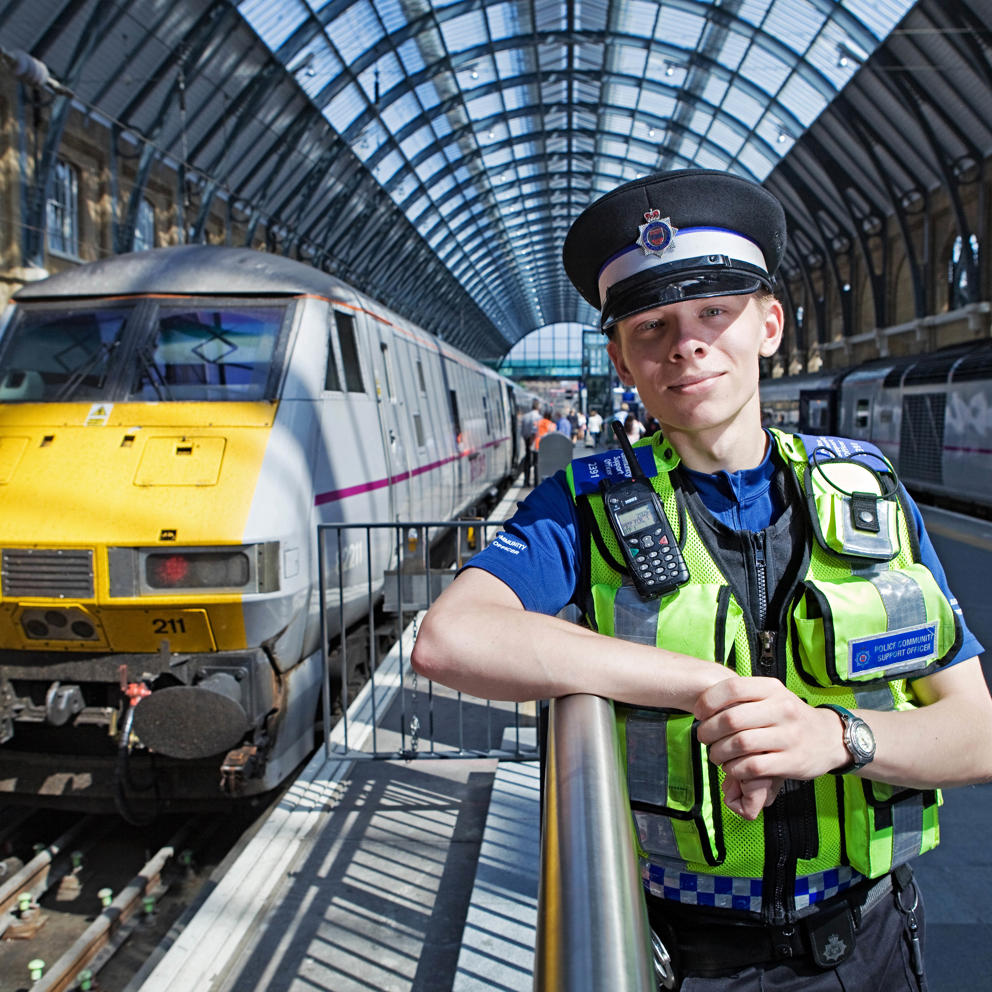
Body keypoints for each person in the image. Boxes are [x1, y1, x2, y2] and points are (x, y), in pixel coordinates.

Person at [411, 168, 992, 991]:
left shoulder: (872, 493)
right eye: (652, 326)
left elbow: (978, 733)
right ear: (620, 358)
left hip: (873, 941)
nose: (686, 344)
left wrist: (837, 737)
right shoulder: (581, 504)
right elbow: (449, 638)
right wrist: (706, 683)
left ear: (768, 326)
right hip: (693, 960)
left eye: (714, 313)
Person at [520, 397, 541, 486]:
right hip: (536, 442)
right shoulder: (540, 417)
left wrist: (527, 440)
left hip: (527, 441)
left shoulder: (525, 417)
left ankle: (526, 481)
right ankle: (536, 482)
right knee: (537, 462)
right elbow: (538, 431)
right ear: (538, 407)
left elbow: (523, 431)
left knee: (527, 461)